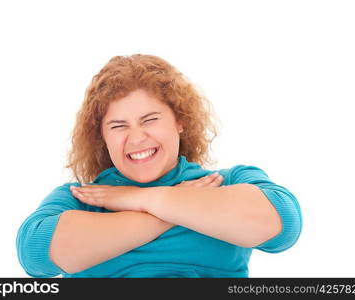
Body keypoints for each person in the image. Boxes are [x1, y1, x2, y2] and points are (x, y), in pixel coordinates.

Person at [16, 54, 302, 278]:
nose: (137, 138)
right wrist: (166, 212)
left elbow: (283, 225)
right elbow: (35, 255)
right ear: (102, 137)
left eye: (150, 120)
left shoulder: (225, 182)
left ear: (180, 121)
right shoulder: (81, 197)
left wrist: (141, 198)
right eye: (118, 126)